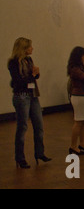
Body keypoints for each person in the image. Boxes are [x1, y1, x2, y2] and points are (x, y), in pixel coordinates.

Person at [7, 37, 51, 169]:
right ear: (24, 48)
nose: (32, 48)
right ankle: (20, 158)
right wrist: (32, 76)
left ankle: (39, 153)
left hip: (32, 96)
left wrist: (36, 74)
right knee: (22, 127)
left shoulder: (28, 60)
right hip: (21, 96)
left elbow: (31, 78)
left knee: (39, 125)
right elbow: (18, 81)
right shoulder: (13, 62)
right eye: (30, 46)